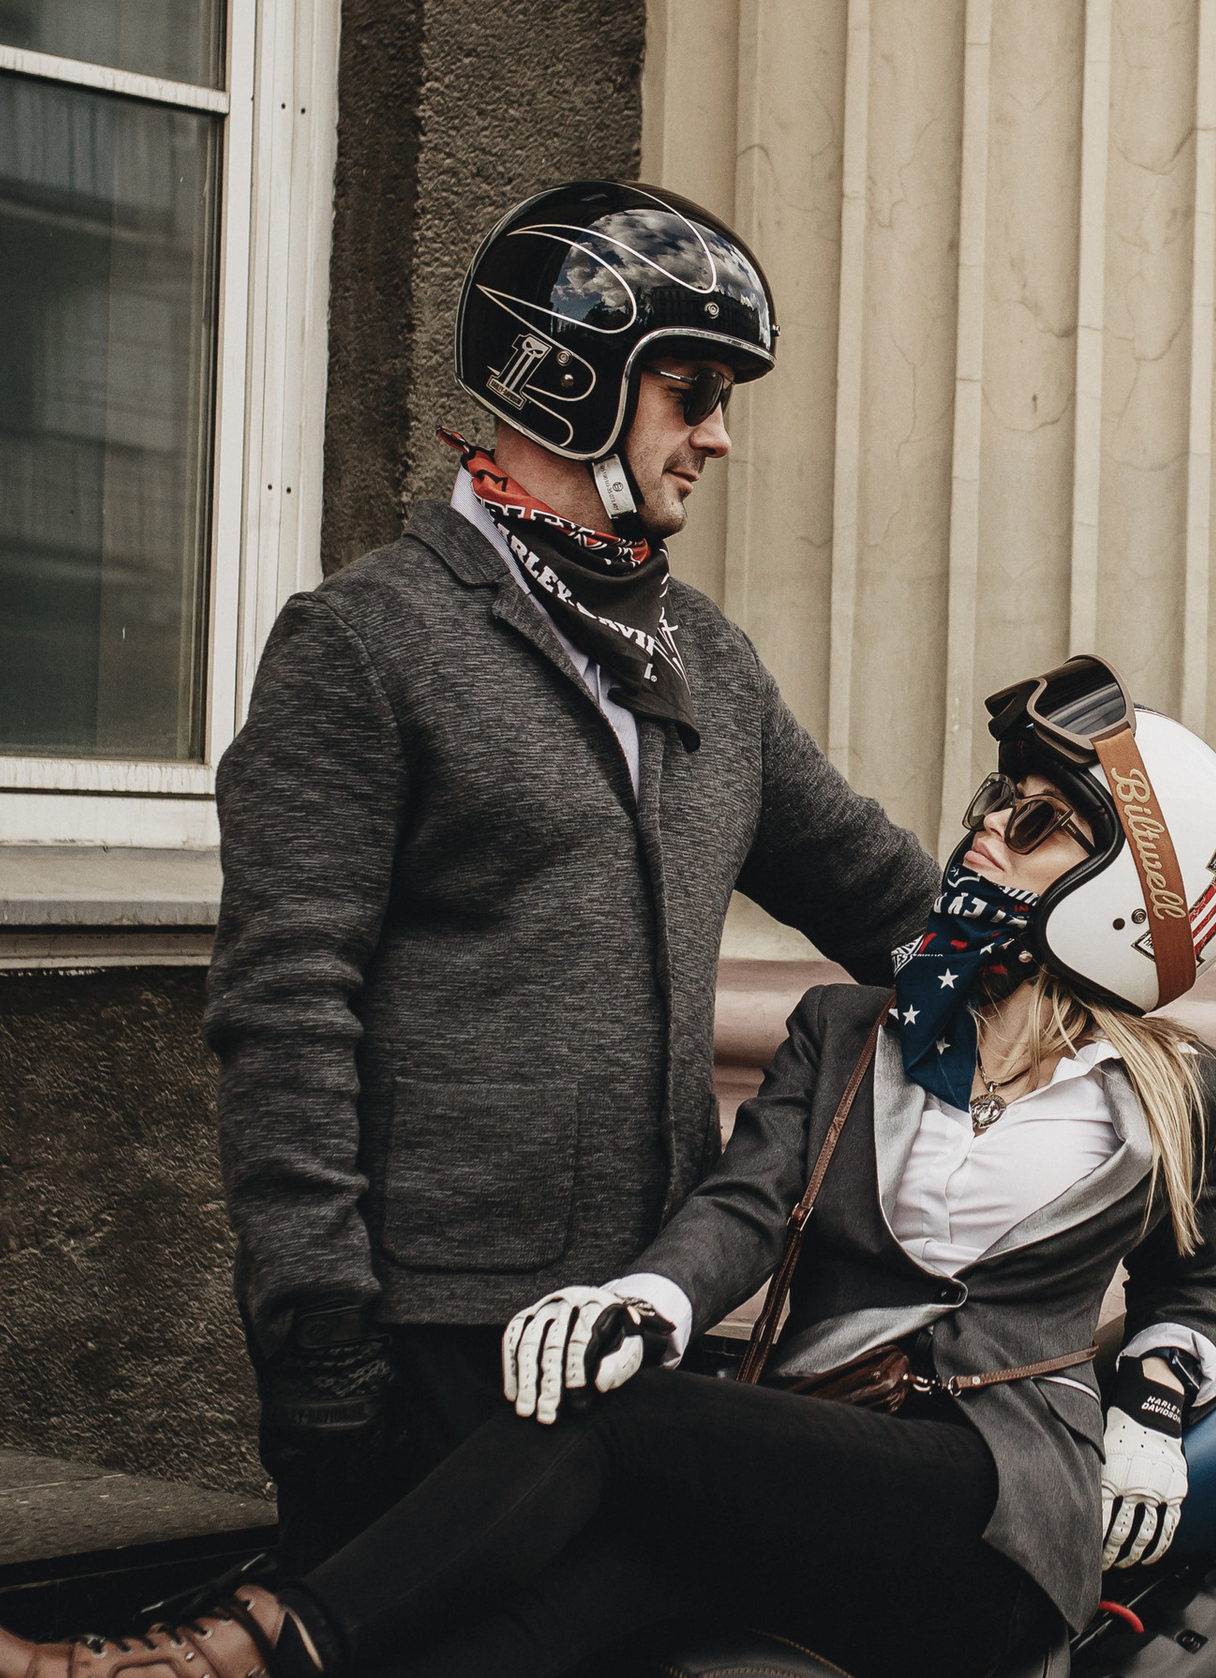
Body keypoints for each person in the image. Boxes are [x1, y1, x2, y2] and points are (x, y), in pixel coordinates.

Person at [0, 659, 1216, 1678]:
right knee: (574, 1601)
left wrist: (1156, 1399)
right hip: (818, 1477)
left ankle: (209, 1676)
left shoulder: (1177, 1094)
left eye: (1038, 822)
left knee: (623, 1432)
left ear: (1126, 894)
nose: (983, 831)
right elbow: (743, 1203)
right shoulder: (858, 1032)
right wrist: (656, 1302)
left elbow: (1190, 1274)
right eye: (998, 801)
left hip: (979, 1521)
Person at [203, 182, 938, 1559]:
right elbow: (284, 1011)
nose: (719, 436)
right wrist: (317, 1344)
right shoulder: (367, 643)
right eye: (692, 390)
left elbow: (882, 895)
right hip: (436, 1335)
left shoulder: (702, 658)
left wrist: (1073, 953)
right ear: (571, 377)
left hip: (642, 1324)